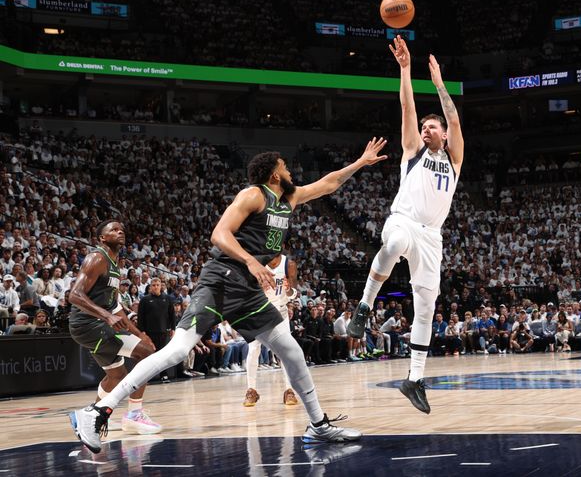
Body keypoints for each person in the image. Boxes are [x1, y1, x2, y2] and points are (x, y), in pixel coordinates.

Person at [70, 140, 387, 452]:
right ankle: (97, 411)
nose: (291, 171)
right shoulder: (253, 195)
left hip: (247, 291)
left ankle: (318, 425)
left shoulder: (289, 199)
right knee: (178, 350)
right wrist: (250, 260)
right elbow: (219, 234)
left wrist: (360, 162)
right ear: (274, 175)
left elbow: (328, 184)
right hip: (222, 280)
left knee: (290, 350)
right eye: (285, 167)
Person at [347, 36, 464, 414]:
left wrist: (441, 85)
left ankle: (414, 379)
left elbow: (456, 120)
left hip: (432, 238)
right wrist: (405, 69)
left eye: (434, 127)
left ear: (444, 135)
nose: (428, 129)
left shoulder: (454, 160)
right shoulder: (413, 152)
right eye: (426, 127)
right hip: (404, 222)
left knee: (427, 305)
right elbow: (407, 108)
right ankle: (364, 307)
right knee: (393, 244)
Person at [67, 221, 161, 438]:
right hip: (89, 325)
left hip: (96, 324)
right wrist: (106, 316)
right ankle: (134, 415)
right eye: (114, 230)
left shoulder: (115, 265)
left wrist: (139, 334)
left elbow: (116, 308)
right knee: (147, 355)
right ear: (101, 238)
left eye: (122, 229)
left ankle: (91, 420)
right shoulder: (97, 258)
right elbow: (74, 294)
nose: (120, 231)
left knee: (117, 376)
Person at [243, 253, 298, 407]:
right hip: (259, 311)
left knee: (285, 352)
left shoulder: (289, 264)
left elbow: (294, 292)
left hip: (280, 312)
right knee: (253, 349)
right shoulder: (256, 262)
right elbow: (247, 290)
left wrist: (288, 291)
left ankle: (289, 390)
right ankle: (251, 390)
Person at [136, 278, 175, 382]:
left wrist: (173, 328)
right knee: (148, 355)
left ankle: (164, 375)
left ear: (161, 286)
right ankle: (145, 377)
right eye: (153, 285)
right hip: (149, 333)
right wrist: (142, 332)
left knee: (163, 355)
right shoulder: (145, 299)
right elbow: (141, 317)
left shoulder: (167, 299)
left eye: (158, 285)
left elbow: (172, 315)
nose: (156, 287)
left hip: (163, 332)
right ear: (150, 287)